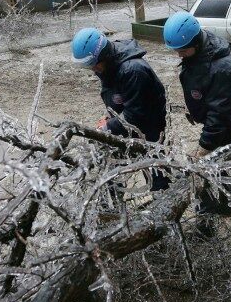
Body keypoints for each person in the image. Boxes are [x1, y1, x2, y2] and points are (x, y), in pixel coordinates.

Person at [163, 12, 231, 216]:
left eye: (182, 50)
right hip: (218, 119)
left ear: (196, 42)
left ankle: (209, 211)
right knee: (218, 164)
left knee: (203, 165)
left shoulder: (223, 69)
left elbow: (220, 113)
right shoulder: (201, 49)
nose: (179, 55)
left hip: (226, 124)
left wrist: (205, 145)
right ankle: (225, 204)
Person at [71, 28, 169, 191]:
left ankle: (164, 201)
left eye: (92, 64)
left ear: (103, 55)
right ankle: (111, 206)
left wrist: (107, 127)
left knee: (153, 166)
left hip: (148, 124)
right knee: (111, 161)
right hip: (128, 120)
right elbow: (119, 98)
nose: (92, 69)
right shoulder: (107, 65)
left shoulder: (132, 70)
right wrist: (109, 116)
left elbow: (136, 114)